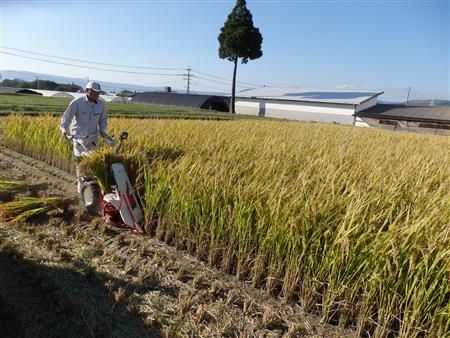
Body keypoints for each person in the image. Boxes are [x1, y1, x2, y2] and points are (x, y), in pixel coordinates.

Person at [60, 81, 114, 161]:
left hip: (93, 139)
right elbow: (67, 118)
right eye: (94, 92)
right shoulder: (77, 102)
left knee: (93, 162)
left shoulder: (101, 104)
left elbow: (103, 119)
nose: (96, 95)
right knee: (80, 161)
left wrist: (102, 131)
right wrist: (64, 129)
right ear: (87, 91)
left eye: (98, 93)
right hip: (79, 139)